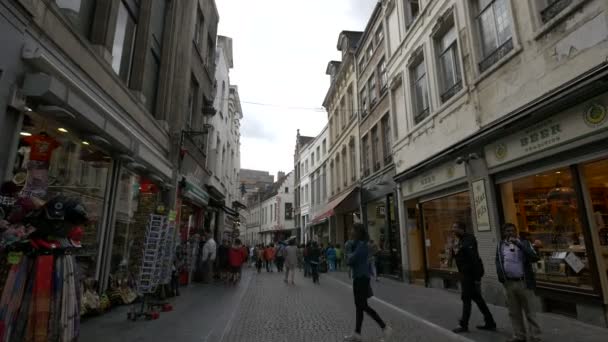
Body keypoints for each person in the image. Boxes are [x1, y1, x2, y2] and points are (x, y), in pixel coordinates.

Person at [344, 223, 392, 342]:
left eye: (352, 230)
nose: (350, 231)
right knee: (359, 307)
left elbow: (350, 260)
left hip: (362, 278)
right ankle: (357, 333)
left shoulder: (361, 246)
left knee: (362, 306)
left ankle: (385, 327)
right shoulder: (358, 244)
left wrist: (349, 250)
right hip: (359, 278)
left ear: (358, 232)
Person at [496, 223, 542, 342]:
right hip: (509, 283)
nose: (510, 233)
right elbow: (498, 261)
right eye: (507, 231)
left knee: (530, 312)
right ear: (504, 233)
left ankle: (535, 337)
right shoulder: (500, 245)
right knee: (514, 312)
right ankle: (519, 336)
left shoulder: (524, 243)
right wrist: (502, 278)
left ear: (516, 232)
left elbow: (535, 257)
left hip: (524, 282)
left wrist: (519, 245)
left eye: (512, 230)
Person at [451, 222, 496, 333]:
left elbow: (474, 259)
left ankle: (464, 324)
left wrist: (477, 278)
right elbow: (458, 255)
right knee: (477, 299)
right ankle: (490, 321)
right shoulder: (460, 240)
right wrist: (453, 249)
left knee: (466, 299)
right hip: (465, 274)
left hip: (469, 275)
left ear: (462, 229)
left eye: (455, 228)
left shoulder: (469, 239)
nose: (453, 231)